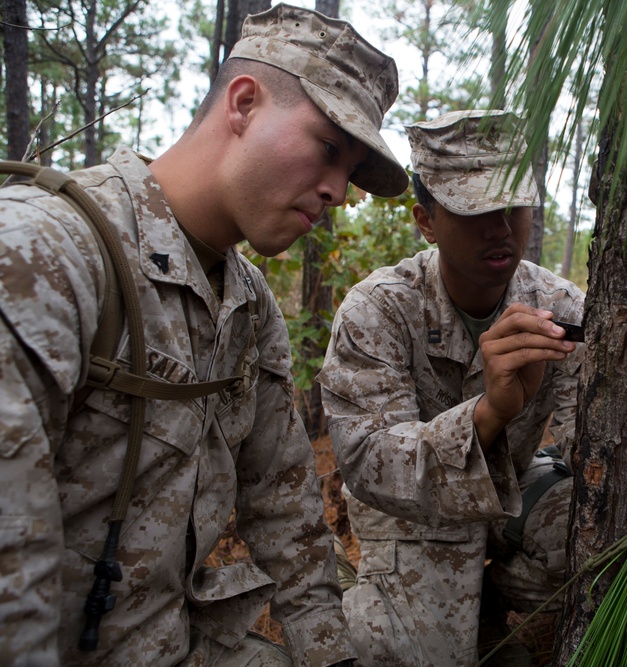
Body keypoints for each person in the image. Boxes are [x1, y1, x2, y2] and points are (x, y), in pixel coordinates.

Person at [0, 4, 409, 665]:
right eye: (330, 148)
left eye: (352, 169)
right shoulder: (45, 255)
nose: (338, 190)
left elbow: (287, 514)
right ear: (244, 102)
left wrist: (334, 658)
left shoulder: (247, 305)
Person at [318, 109, 627, 666]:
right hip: (413, 512)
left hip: (518, 487)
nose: (500, 227)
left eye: (514, 207)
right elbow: (370, 465)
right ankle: (390, 599)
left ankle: (493, 595)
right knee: (404, 652)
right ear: (426, 219)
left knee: (604, 549)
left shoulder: (561, 308)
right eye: (475, 211)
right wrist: (488, 412)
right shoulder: (379, 310)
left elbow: (591, 451)